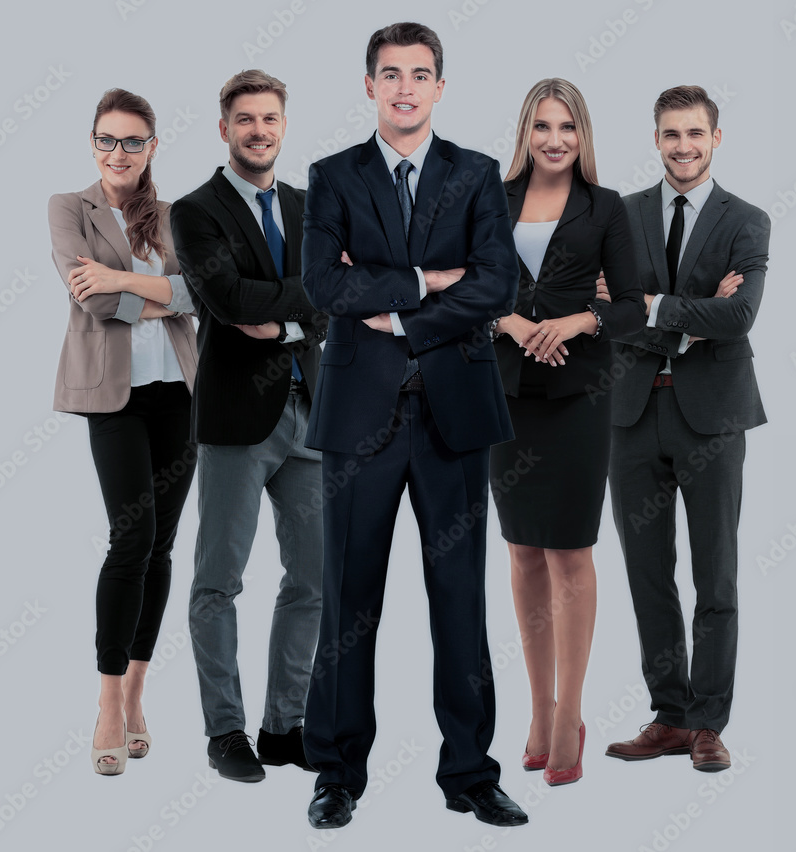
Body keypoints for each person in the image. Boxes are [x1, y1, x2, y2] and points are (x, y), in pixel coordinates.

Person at [300, 22, 526, 830]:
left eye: (419, 74)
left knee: (460, 601)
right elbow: (324, 285)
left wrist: (397, 314)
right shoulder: (332, 176)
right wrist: (430, 281)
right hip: (357, 415)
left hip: (453, 414)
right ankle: (335, 772)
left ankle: (470, 772)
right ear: (369, 85)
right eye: (389, 73)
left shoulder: (476, 174)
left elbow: (498, 283)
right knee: (347, 600)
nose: (404, 87)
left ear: (439, 86)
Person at [601, 85, 770, 772]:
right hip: (631, 415)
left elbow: (740, 319)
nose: (683, 147)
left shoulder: (746, 220)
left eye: (695, 134)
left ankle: (708, 724)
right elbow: (600, 310)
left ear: (716, 138)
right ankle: (669, 716)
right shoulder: (620, 214)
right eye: (671, 134)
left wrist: (648, 305)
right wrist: (686, 321)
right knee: (647, 575)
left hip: (713, 420)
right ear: (656, 138)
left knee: (716, 576)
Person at [169, 70, 326, 783]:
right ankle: (225, 730)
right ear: (224, 128)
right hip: (238, 417)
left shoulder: (308, 203)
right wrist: (296, 304)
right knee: (219, 580)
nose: (259, 130)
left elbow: (341, 295)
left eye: (269, 118)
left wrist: (283, 315)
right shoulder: (196, 211)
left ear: (284, 125)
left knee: (315, 578)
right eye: (245, 120)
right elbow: (227, 299)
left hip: (312, 410)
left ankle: (283, 726)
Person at [491, 79, 645, 787]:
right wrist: (516, 323)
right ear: (525, 131)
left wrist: (578, 320)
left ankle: (570, 714)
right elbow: (466, 288)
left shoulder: (605, 207)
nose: (555, 139)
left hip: (579, 394)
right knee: (523, 552)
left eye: (568, 128)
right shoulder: (487, 199)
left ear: (582, 137)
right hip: (506, 394)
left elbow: (633, 307)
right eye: (543, 126)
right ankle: (538, 706)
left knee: (569, 553)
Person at [48, 88, 198, 776]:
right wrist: (150, 291)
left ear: (152, 147)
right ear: (92, 142)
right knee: (130, 537)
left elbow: (204, 296)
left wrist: (139, 285)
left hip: (182, 394)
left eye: (133, 141)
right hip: (113, 398)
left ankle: (138, 691)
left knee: (162, 545)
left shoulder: (174, 216)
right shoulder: (67, 209)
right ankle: (108, 700)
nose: (119, 152)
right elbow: (94, 297)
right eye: (108, 139)